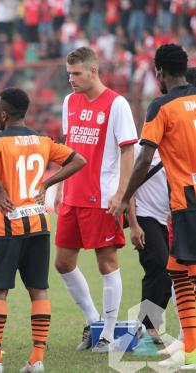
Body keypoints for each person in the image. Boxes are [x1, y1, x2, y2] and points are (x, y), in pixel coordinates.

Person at [0, 88, 86, 373]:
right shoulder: (42, 140)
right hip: (38, 224)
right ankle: (37, 359)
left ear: (2, 114)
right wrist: (46, 185)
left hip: (8, 226)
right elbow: (78, 160)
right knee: (39, 291)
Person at [111, 43, 196, 369]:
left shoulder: (161, 107)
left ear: (158, 72)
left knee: (171, 272)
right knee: (168, 270)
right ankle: (179, 345)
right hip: (158, 212)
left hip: (182, 203)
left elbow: (144, 157)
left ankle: (154, 337)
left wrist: (122, 199)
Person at [54, 46, 138, 352]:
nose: (71, 79)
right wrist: (62, 184)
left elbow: (128, 150)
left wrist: (121, 193)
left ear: (93, 71)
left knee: (107, 263)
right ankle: (93, 321)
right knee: (63, 263)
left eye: (76, 73)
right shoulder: (69, 101)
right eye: (68, 73)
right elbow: (68, 145)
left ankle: (108, 335)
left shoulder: (117, 105)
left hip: (102, 197)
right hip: (72, 195)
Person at [125, 142, 171, 345]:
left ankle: (148, 324)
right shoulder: (138, 149)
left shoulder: (178, 145)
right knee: (158, 266)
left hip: (167, 217)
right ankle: (147, 326)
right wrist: (134, 224)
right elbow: (129, 186)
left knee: (170, 273)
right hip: (144, 215)